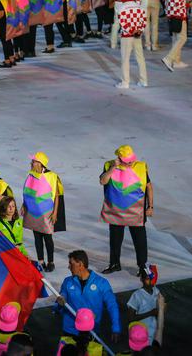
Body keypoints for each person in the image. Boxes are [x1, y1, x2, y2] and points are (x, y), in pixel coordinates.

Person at [99, 145, 153, 275]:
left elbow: (149, 187)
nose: (130, 163)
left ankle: (142, 266)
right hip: (116, 210)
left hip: (136, 211)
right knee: (115, 240)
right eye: (127, 161)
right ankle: (114, 263)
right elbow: (103, 181)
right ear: (119, 158)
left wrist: (150, 206)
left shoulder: (140, 167)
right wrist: (113, 168)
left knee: (140, 241)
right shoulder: (108, 166)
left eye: (131, 160)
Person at [55, 250, 121, 343]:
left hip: (91, 331)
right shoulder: (67, 281)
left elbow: (112, 305)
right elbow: (62, 296)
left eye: (71, 263)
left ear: (80, 264)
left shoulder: (101, 283)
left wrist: (116, 328)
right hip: (70, 331)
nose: (68, 267)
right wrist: (59, 302)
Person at [21, 152, 65, 272]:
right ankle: (41, 261)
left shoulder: (52, 176)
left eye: (34, 161)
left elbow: (56, 196)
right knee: (37, 237)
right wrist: (23, 205)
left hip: (47, 212)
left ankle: (51, 261)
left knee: (47, 237)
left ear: (40, 164)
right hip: (33, 211)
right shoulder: (31, 175)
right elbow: (28, 193)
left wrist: (55, 212)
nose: (32, 163)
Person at [161, 0, 192, 72]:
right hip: (179, 15)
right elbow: (179, 3)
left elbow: (169, 0)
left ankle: (177, 61)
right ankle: (169, 58)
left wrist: (186, 1)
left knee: (175, 38)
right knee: (182, 38)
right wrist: (189, 4)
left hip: (171, 14)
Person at [115, 0, 148, 89]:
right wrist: (139, 30)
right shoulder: (139, 7)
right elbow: (144, 21)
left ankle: (125, 82)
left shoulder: (120, 8)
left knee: (125, 59)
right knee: (140, 58)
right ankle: (144, 81)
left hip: (126, 37)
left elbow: (123, 23)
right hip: (137, 36)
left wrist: (131, 30)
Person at [127, 266, 165, 345]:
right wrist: (150, 313)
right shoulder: (136, 295)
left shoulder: (156, 291)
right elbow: (131, 318)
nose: (150, 281)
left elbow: (162, 308)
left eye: (152, 278)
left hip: (155, 331)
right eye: (147, 279)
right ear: (141, 279)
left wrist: (162, 308)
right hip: (141, 334)